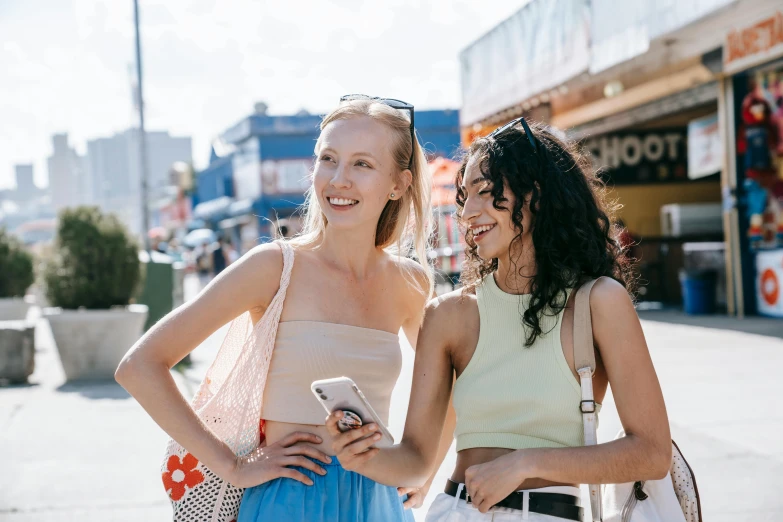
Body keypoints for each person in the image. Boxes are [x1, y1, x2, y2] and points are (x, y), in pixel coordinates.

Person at [115, 94, 454, 522]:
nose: (338, 179)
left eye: (362, 164)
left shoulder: (410, 282)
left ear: (399, 184)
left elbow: (451, 384)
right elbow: (140, 365)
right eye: (328, 159)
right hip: (288, 501)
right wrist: (231, 465)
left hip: (379, 504)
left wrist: (424, 470)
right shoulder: (274, 267)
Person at [327, 118, 672, 521]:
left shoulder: (598, 303)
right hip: (456, 512)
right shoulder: (449, 314)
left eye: (486, 193)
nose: (469, 212)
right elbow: (416, 461)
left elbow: (651, 453)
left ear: (536, 196)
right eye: (465, 197)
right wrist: (361, 454)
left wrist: (526, 463)